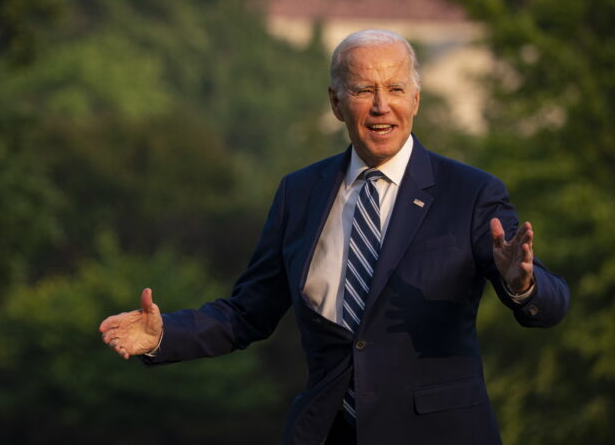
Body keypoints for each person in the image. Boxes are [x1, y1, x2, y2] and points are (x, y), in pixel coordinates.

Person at [99, 29, 570, 444]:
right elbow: (248, 313)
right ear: (335, 102)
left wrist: (521, 284)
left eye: (396, 89)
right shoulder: (299, 193)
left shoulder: (470, 192)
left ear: (416, 100)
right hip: (327, 432)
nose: (382, 105)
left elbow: (551, 305)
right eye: (364, 89)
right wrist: (165, 335)